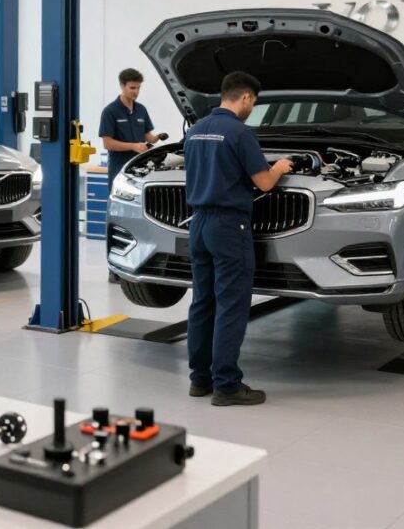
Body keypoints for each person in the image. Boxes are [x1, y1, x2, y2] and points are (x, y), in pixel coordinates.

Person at [184, 72, 291, 406]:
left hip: (198, 223)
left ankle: (200, 380)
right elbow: (264, 183)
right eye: (253, 103)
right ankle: (227, 385)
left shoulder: (196, 131)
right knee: (231, 305)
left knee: (203, 303)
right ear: (245, 98)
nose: (252, 109)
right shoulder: (240, 133)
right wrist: (281, 167)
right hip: (230, 227)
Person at [99, 68, 164, 283]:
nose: (136, 92)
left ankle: (139, 262)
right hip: (120, 173)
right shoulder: (110, 111)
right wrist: (132, 146)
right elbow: (107, 142)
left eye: (138, 88)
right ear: (122, 85)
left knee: (140, 219)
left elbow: (147, 135)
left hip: (140, 171)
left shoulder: (141, 110)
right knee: (118, 220)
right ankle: (113, 268)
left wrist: (155, 138)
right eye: (132, 88)